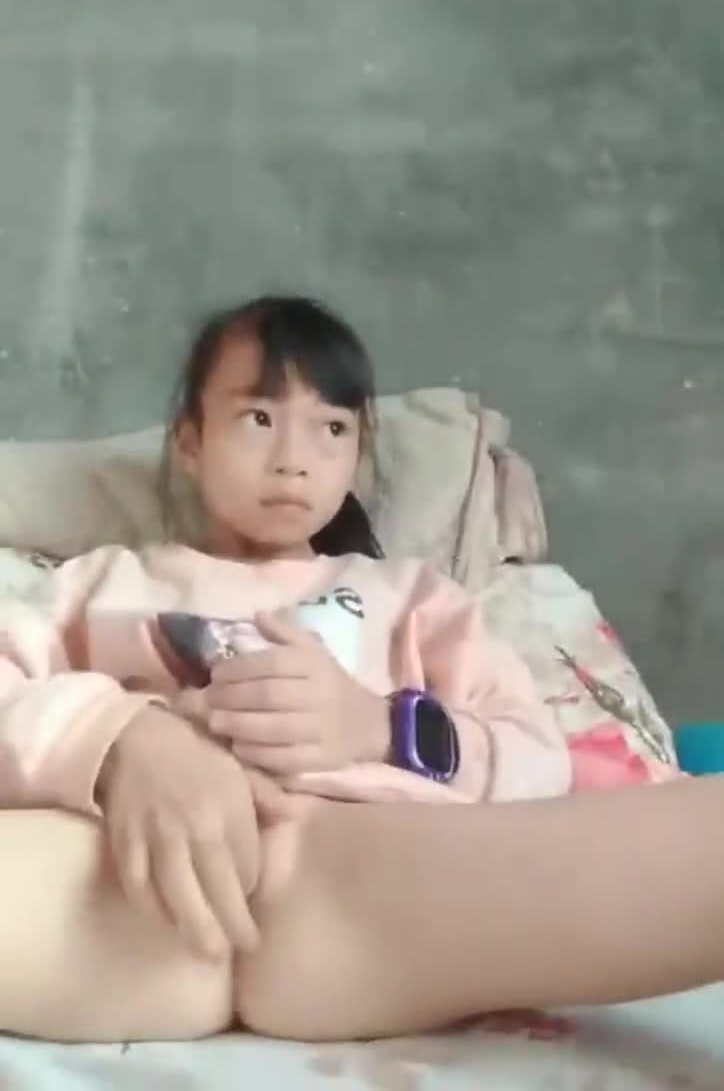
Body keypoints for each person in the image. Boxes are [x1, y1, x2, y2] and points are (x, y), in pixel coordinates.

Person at [0, 295, 717, 1044]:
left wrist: (384, 729)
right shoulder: (104, 583)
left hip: (370, 889)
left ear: (356, 457)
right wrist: (123, 740)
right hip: (122, 887)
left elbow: (537, 760)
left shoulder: (412, 600)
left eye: (333, 428)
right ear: (189, 441)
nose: (293, 458)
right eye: (258, 418)